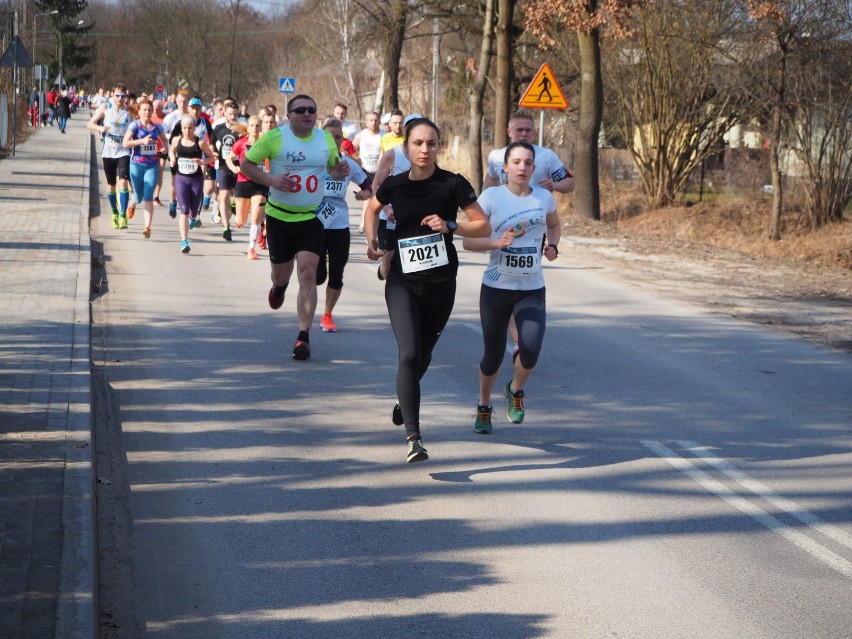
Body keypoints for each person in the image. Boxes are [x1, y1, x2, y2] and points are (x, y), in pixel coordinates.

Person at [362, 117, 491, 463]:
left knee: (423, 355)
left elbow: (483, 226)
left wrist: (451, 225)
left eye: (431, 143)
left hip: (440, 283)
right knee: (408, 353)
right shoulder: (394, 184)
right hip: (403, 281)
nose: (424, 149)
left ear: (438, 147)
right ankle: (414, 437)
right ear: (406, 148)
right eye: (418, 143)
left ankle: (405, 397)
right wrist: (372, 239)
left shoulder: (453, 184)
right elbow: (372, 208)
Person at [240, 94, 350, 361]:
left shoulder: (324, 139)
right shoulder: (274, 138)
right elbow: (246, 165)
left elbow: (332, 170)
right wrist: (271, 179)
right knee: (281, 275)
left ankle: (303, 336)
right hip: (279, 217)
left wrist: (339, 171)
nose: (307, 114)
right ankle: (279, 287)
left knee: (308, 272)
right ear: (289, 116)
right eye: (300, 110)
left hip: (312, 217)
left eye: (311, 110)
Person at [463, 141, 561, 434]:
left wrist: (553, 244)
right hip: (496, 287)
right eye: (516, 162)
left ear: (534, 168)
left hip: (532, 287)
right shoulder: (492, 197)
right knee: (492, 356)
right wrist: (497, 242)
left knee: (530, 350)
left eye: (528, 163)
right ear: (505, 167)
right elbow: (469, 241)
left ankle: (515, 390)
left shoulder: (544, 198)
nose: (522, 167)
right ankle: (483, 406)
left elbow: (554, 225)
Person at [315, 118, 372, 332]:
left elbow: (367, 186)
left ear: (342, 139)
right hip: (315, 225)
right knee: (318, 275)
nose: (333, 140)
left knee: (337, 273)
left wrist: (364, 193)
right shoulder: (313, 162)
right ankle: (309, 300)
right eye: (329, 136)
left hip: (339, 226)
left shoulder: (348, 164)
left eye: (337, 137)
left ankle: (327, 315)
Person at [169, 115, 217, 253]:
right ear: (181, 128)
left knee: (194, 210)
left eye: (190, 128)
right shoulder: (177, 140)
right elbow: (172, 151)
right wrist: (172, 159)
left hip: (196, 179)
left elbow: (212, 157)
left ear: (194, 128)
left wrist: (202, 162)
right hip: (181, 179)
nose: (187, 131)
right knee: (184, 209)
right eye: (184, 128)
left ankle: (193, 217)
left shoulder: (200, 142)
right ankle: (184, 241)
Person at [88, 85, 133, 229]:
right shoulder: (105, 108)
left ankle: (122, 215)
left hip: (123, 151)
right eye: (117, 95)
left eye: (123, 96)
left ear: (126, 97)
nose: (120, 99)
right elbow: (90, 124)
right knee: (111, 185)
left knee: (124, 182)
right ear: (112, 95)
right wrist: (101, 129)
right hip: (108, 152)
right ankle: (114, 212)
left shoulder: (129, 112)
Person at [123, 98, 169, 239]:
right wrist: (141, 141)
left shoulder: (157, 127)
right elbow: (125, 143)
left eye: (150, 110)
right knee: (138, 195)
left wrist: (164, 148)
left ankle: (147, 227)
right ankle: (132, 205)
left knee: (148, 196)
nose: (147, 112)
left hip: (152, 166)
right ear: (139, 111)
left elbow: (165, 140)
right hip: (136, 165)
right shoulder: (135, 126)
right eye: (145, 110)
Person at [226, 115, 268, 260]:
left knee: (257, 214)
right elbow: (229, 158)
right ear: (248, 128)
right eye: (252, 125)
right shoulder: (241, 143)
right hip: (243, 183)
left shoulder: (265, 144)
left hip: (260, 184)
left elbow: (271, 161)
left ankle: (251, 248)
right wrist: (234, 168)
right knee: (241, 222)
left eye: (257, 125)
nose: (255, 128)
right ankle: (233, 204)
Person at [211, 102, 243, 241]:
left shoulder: (242, 129)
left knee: (236, 198)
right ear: (224, 113)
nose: (233, 116)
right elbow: (211, 142)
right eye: (230, 113)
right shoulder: (219, 128)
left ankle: (232, 206)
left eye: (235, 114)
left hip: (238, 167)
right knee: (223, 195)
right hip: (224, 166)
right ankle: (226, 227)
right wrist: (212, 151)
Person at [353, 111, 382, 179]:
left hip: (380, 171)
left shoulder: (384, 135)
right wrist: (357, 159)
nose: (373, 123)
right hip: (364, 170)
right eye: (371, 120)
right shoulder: (361, 135)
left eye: (376, 120)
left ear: (379, 122)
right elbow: (351, 149)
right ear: (366, 122)